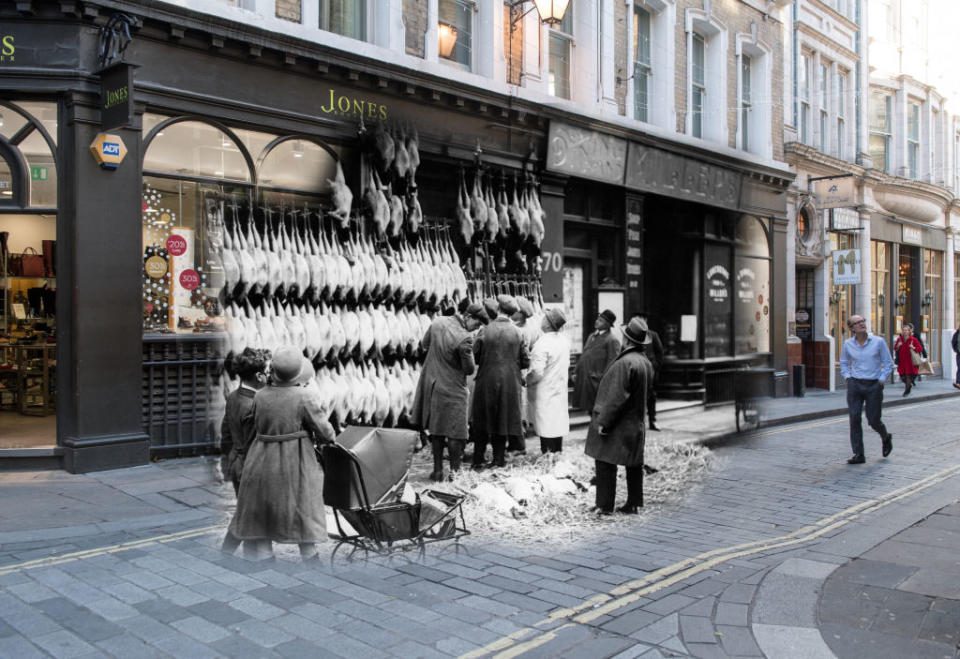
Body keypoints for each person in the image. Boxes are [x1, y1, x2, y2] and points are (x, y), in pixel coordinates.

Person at [226, 348, 335, 561]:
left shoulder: (261, 395)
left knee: (267, 506)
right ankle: (310, 558)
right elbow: (324, 431)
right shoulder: (306, 396)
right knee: (302, 505)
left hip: (262, 455)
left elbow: (257, 424)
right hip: (296, 457)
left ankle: (266, 560)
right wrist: (329, 441)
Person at [584, 317, 653, 515]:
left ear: (627, 340)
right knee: (633, 463)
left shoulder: (626, 363)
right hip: (635, 421)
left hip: (619, 423)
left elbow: (615, 397)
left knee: (605, 461)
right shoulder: (644, 361)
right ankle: (633, 503)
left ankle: (604, 505)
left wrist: (604, 422)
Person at [411, 302, 485, 481]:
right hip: (453, 388)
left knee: (436, 430)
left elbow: (423, 344)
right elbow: (468, 369)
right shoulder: (464, 338)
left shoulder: (438, 322)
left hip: (433, 384)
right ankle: (455, 472)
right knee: (455, 432)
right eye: (476, 324)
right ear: (468, 317)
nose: (476, 328)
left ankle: (437, 471)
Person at [471, 294, 530, 469]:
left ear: (498, 309)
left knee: (482, 419)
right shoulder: (519, 332)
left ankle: (478, 459)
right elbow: (526, 360)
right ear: (512, 313)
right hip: (510, 382)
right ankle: (498, 459)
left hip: (486, 379)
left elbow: (475, 356)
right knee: (503, 418)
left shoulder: (484, 330)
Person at [839, 315, 894, 465]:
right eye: (857, 323)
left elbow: (888, 363)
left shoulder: (878, 342)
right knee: (854, 418)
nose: (861, 324)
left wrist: (881, 380)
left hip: (873, 385)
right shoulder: (848, 344)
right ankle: (859, 454)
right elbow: (843, 362)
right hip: (855, 385)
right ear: (851, 329)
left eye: (862, 321)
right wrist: (848, 378)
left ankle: (885, 436)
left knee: (873, 420)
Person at [221, 348, 270, 494]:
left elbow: (226, 434)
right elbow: (256, 445)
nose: (268, 375)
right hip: (253, 470)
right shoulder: (255, 405)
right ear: (258, 376)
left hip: (236, 464)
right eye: (266, 372)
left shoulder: (232, 397)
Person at [526, 308, 570, 453]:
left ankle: (548, 457)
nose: (541, 319)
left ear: (547, 324)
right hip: (558, 388)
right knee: (557, 424)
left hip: (544, 391)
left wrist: (526, 380)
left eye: (544, 318)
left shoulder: (542, 344)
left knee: (546, 426)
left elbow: (537, 372)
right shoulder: (564, 340)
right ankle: (557, 454)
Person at [573, 309, 621, 412]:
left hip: (597, 382)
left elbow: (612, 364)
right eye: (597, 319)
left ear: (608, 325)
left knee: (597, 410)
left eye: (601, 320)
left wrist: (603, 379)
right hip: (585, 378)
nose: (597, 321)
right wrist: (576, 371)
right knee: (589, 408)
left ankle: (597, 428)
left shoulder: (612, 340)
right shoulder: (592, 336)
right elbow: (584, 354)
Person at [631, 312, 664, 431]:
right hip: (636, 371)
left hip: (650, 372)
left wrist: (654, 368)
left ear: (646, 321)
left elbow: (660, 353)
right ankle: (637, 422)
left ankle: (652, 421)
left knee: (651, 397)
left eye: (641, 319)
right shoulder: (631, 336)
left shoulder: (653, 335)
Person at [892, 324, 922, 397]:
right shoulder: (899, 339)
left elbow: (920, 348)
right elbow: (895, 348)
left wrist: (913, 347)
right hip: (902, 361)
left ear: (909, 331)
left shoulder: (913, 340)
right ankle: (909, 385)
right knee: (902, 376)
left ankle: (906, 390)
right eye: (904, 330)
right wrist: (898, 346)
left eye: (906, 330)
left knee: (908, 375)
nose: (905, 332)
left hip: (910, 361)